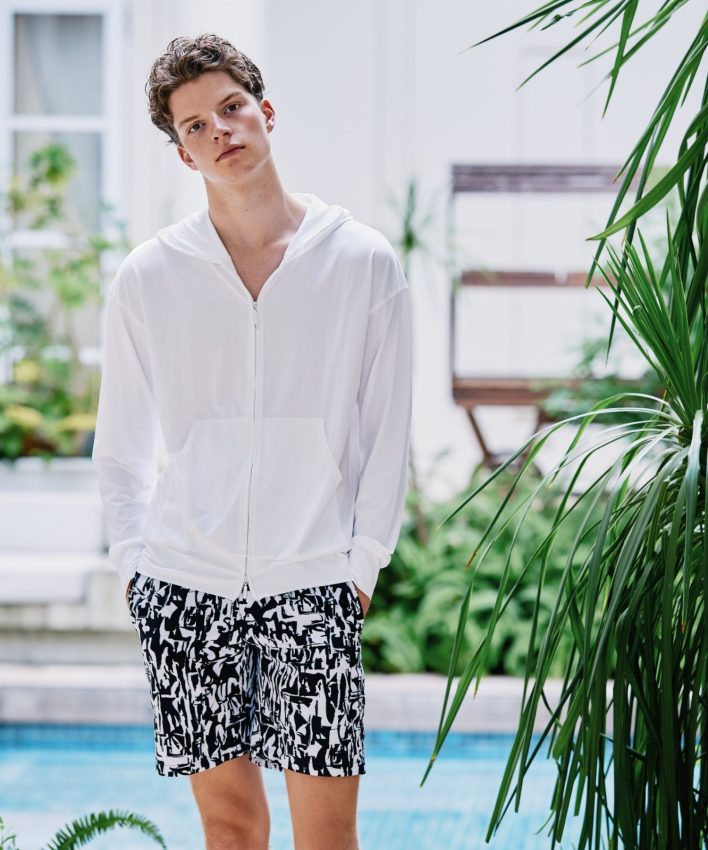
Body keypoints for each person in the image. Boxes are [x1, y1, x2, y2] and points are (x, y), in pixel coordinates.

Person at [91, 32, 413, 850]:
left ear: (266, 111)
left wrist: (360, 568)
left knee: (327, 834)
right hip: (183, 586)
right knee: (230, 829)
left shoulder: (361, 262)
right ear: (183, 153)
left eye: (231, 108)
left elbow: (387, 434)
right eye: (195, 126)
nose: (220, 131)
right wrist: (135, 569)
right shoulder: (148, 277)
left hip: (314, 582)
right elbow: (121, 448)